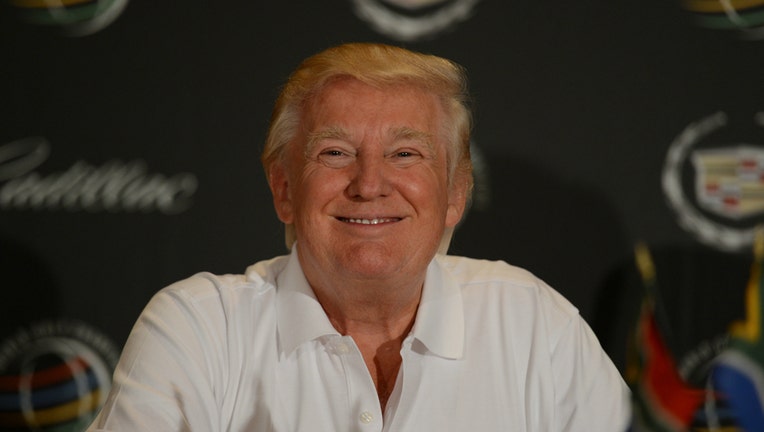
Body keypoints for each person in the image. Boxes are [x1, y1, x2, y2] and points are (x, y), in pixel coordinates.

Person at [88, 43, 630, 431]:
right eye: (335, 153)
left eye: (405, 154)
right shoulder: (199, 328)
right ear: (284, 190)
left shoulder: (535, 326)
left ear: (456, 194)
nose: (369, 184)